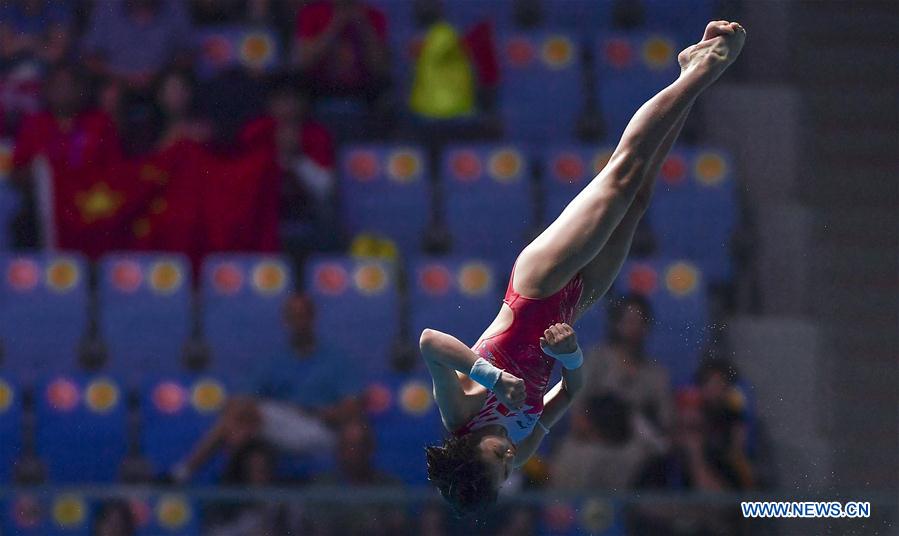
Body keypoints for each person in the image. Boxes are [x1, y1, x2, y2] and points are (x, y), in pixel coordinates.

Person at [420, 20, 746, 516]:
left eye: (496, 460)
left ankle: (702, 69)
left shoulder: (459, 413)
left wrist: (488, 377)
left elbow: (430, 342)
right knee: (637, 198)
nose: (510, 459)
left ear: (467, 450)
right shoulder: (524, 447)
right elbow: (571, 393)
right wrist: (571, 356)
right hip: (572, 308)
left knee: (621, 176)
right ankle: (690, 73)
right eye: (506, 470)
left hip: (535, 285)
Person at [172, 293, 363, 482]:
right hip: (284, 423)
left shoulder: (337, 360)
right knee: (237, 418)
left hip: (322, 428)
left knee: (355, 431)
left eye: (302, 316)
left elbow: (352, 408)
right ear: (285, 321)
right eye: (292, 317)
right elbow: (242, 400)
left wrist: (320, 412)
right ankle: (186, 474)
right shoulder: (273, 361)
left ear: (313, 318)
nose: (298, 322)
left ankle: (359, 497)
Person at [577, 294, 674, 438]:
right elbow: (577, 407)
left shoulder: (656, 372)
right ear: (617, 323)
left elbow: (667, 421)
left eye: (640, 321)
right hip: (593, 440)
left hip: (636, 446)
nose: (634, 327)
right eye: (629, 320)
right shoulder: (597, 359)